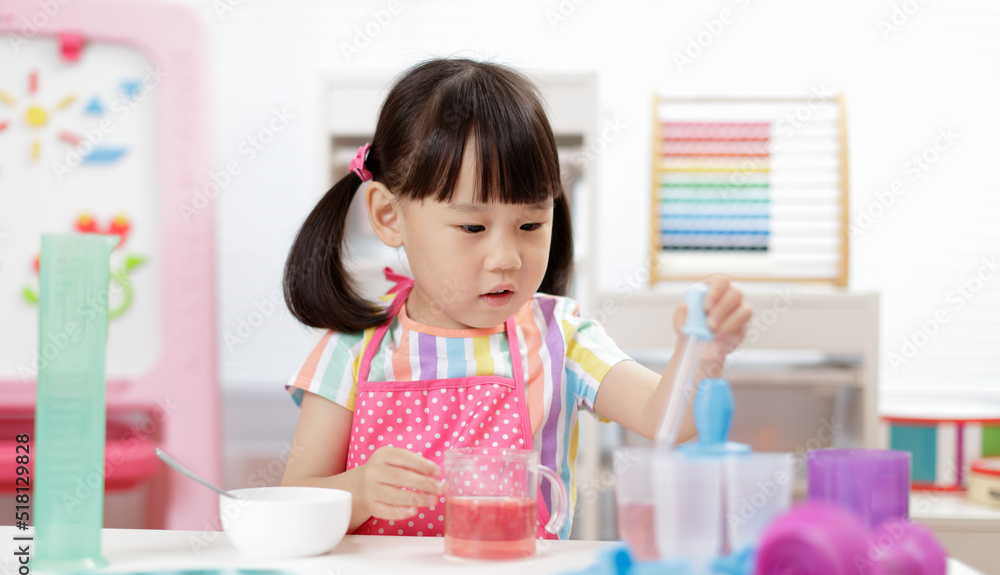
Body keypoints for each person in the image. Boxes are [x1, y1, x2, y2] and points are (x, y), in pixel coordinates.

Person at [281, 58, 751, 539]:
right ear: (388, 215)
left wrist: (703, 353)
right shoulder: (352, 349)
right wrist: (358, 491)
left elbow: (665, 419)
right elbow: (296, 499)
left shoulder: (560, 337)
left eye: (530, 225)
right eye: (472, 227)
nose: (506, 257)